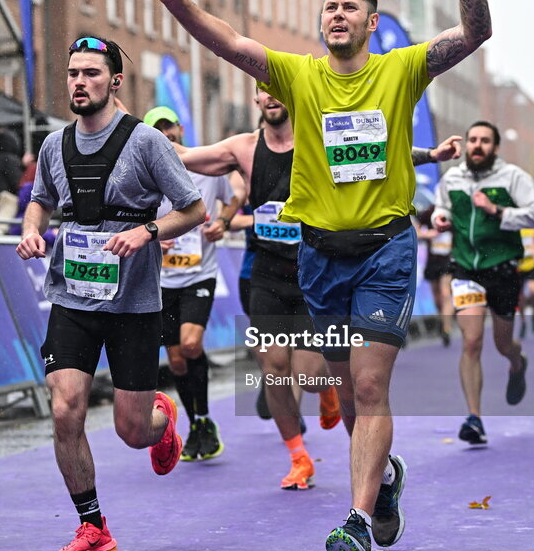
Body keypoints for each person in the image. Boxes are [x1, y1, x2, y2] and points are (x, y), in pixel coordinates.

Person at [152, 0, 491, 551]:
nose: (337, 14)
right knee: (346, 390)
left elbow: (473, 34)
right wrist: (178, 5)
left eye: (349, 7)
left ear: (370, 21)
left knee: (368, 385)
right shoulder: (299, 78)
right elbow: (233, 44)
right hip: (320, 257)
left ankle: (358, 522)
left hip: (386, 248)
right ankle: (385, 474)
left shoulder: (401, 69)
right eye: (329, 7)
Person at [174, 88, 457, 490]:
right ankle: (299, 456)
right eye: (262, 91)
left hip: (315, 271)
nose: (271, 97)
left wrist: (431, 155)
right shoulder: (243, 148)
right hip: (266, 273)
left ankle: (326, 392)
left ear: (292, 95)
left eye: (277, 90)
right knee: (272, 370)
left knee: (309, 376)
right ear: (255, 100)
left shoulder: (318, 136)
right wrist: (130, 130)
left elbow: (380, 152)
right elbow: (185, 156)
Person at [18, 36, 204, 551]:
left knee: (131, 430)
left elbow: (192, 210)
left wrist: (147, 230)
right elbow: (40, 203)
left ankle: (161, 416)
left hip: (133, 305)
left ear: (114, 81)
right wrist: (33, 232)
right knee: (65, 408)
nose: (79, 81)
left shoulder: (146, 142)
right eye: (73, 72)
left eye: (91, 74)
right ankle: (92, 525)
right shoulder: (54, 145)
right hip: (73, 297)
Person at [145, 105, 242, 462]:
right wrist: (154, 236)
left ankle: (203, 420)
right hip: (162, 280)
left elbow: (233, 198)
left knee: (190, 343)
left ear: (180, 129)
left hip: (199, 274)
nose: (167, 135)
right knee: (178, 361)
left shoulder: (205, 167)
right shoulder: (147, 172)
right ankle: (194, 422)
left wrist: (225, 223)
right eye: (159, 130)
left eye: (170, 128)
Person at [433, 121, 534, 445]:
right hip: (466, 268)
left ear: (495, 147)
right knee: (472, 341)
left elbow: (533, 215)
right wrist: (441, 216)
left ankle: (517, 363)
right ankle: (474, 418)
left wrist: (496, 209)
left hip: (503, 268)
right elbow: (443, 206)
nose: (477, 146)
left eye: (484, 141)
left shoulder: (513, 178)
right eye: (473, 140)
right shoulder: (452, 178)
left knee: (503, 344)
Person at [416, 206, 454, 347]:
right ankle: (442, 320)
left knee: (445, 294)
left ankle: (446, 329)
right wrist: (429, 234)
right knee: (437, 298)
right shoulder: (429, 212)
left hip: (448, 261)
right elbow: (415, 230)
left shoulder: (455, 213)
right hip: (432, 262)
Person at [516, 228, 534, 339]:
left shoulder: (533, 230)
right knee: (520, 298)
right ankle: (523, 321)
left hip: (532, 266)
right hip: (519, 267)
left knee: (533, 291)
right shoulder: (515, 230)